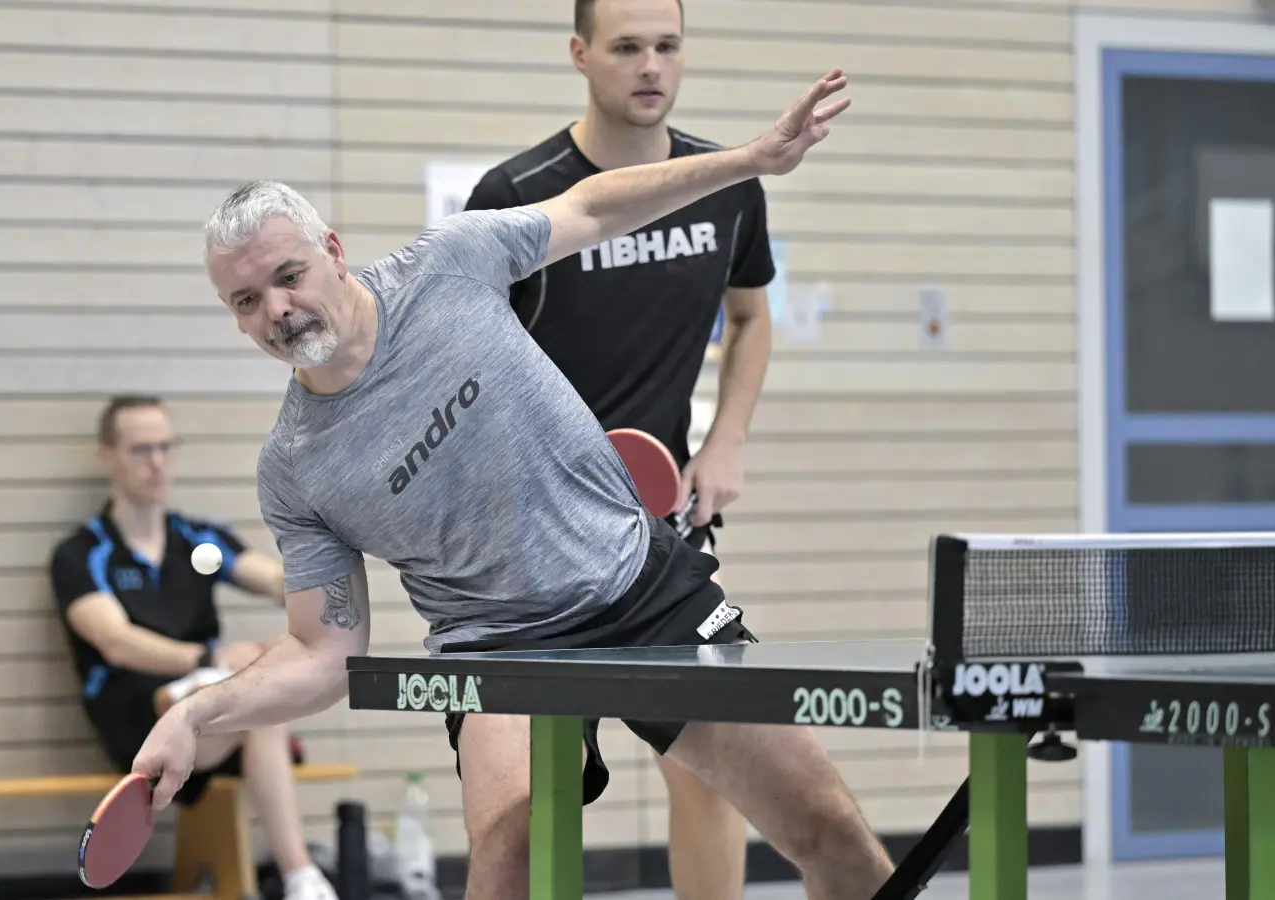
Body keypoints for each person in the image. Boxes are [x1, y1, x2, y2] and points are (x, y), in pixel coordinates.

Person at [134, 67, 897, 900]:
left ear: (333, 252)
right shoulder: (294, 466)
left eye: (287, 276)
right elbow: (323, 653)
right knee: (508, 856)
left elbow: (595, 207)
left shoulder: (449, 266)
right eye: (245, 301)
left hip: (640, 584)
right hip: (496, 646)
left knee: (830, 831)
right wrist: (196, 712)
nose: (275, 311)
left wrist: (751, 158)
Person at [462, 0, 772, 894]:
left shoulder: (726, 184)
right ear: (580, 54)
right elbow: (465, 365)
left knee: (713, 773)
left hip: (666, 534)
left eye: (667, 46)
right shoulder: (518, 197)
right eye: (627, 46)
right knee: (537, 799)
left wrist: (726, 442)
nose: (650, 66)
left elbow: (751, 318)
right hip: (538, 551)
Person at [48, 395, 336, 900]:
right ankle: (301, 875)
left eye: (165, 447)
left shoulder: (198, 542)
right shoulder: (81, 554)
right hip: (134, 716)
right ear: (107, 456)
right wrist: (206, 661)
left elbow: (274, 580)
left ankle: (301, 879)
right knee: (246, 686)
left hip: (210, 712)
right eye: (141, 449)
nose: (157, 462)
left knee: (262, 694)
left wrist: (323, 579)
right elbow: (116, 642)